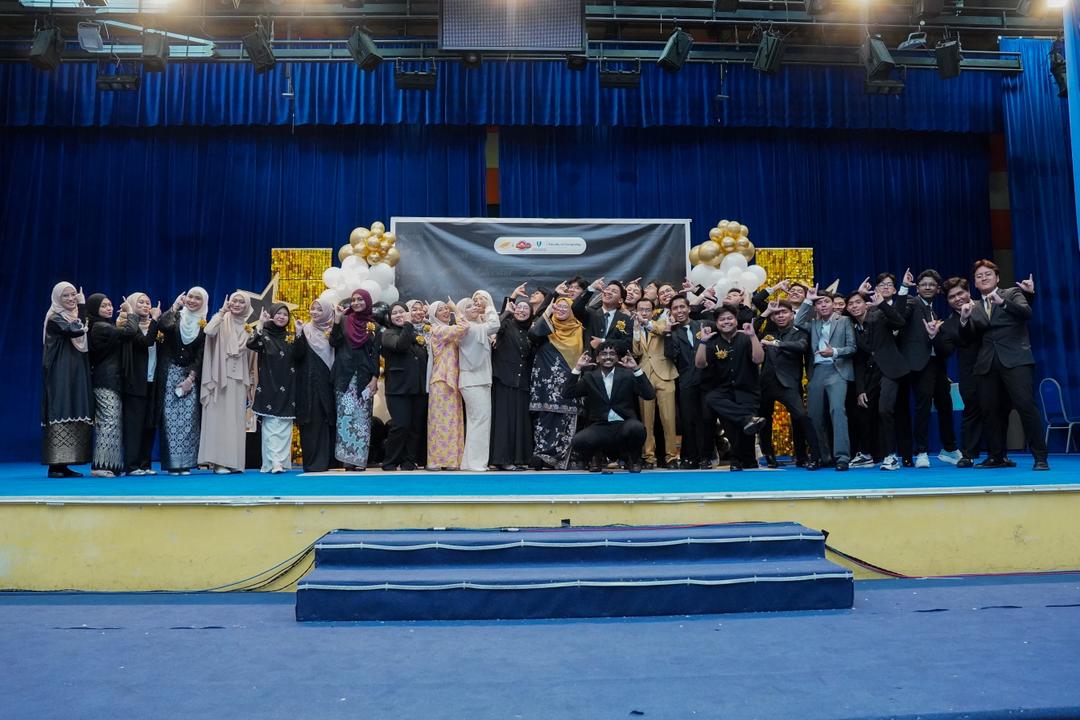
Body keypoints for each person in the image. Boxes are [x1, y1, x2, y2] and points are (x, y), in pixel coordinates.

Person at [967, 260, 1049, 471]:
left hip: (1016, 360)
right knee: (990, 411)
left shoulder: (1012, 293)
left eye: (988, 274)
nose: (983, 278)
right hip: (987, 364)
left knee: (1025, 406)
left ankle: (1040, 457)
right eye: (979, 276)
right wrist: (964, 320)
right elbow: (969, 338)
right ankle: (997, 457)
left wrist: (1002, 303)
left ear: (997, 278)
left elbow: (1026, 313)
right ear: (974, 283)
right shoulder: (973, 306)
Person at [898, 270, 960, 467]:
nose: (927, 287)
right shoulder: (912, 302)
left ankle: (949, 449)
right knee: (923, 407)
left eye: (932, 284)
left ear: (938, 289)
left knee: (945, 405)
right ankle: (922, 452)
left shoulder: (934, 310)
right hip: (919, 365)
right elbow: (899, 316)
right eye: (923, 284)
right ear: (917, 288)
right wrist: (903, 288)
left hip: (937, 366)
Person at [564, 341, 656, 472]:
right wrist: (578, 368)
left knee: (637, 428)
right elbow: (567, 393)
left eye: (612, 353)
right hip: (600, 426)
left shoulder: (627, 375)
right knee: (578, 441)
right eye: (604, 354)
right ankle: (596, 457)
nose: (608, 357)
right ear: (597, 358)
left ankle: (632, 459)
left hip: (624, 424)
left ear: (617, 358)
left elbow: (649, 395)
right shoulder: (590, 377)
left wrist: (636, 369)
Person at [695, 304, 766, 472]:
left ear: (736, 320)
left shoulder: (746, 337)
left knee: (746, 430)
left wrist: (753, 336)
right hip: (724, 392)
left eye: (729, 318)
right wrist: (703, 341)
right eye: (722, 319)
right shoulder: (712, 341)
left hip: (747, 390)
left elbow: (758, 359)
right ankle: (736, 457)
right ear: (716, 323)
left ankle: (747, 459)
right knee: (714, 402)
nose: (726, 322)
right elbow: (700, 364)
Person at [846, 285, 909, 471]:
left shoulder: (879, 316)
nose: (854, 306)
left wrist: (882, 304)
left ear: (866, 304)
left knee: (884, 410)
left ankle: (891, 456)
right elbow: (858, 361)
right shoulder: (851, 328)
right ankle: (866, 454)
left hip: (891, 370)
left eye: (858, 302)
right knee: (864, 410)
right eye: (851, 304)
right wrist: (860, 390)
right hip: (870, 374)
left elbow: (899, 322)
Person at [796, 286, 856, 470]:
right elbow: (798, 321)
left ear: (833, 304)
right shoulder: (814, 323)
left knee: (837, 411)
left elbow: (852, 347)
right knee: (814, 415)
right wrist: (808, 300)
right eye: (819, 303)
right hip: (817, 372)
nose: (823, 305)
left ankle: (842, 457)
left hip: (837, 370)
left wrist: (834, 351)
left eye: (826, 302)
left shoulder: (844, 320)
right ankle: (821, 456)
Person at [756, 300, 820, 470]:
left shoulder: (799, 332)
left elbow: (802, 346)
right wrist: (766, 312)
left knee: (801, 418)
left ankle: (808, 456)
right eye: (776, 313)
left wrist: (776, 344)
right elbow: (751, 330)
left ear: (792, 314)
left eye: (784, 312)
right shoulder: (768, 332)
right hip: (766, 383)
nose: (780, 316)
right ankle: (769, 456)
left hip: (789, 383)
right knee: (764, 421)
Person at [199, 291, 255, 474]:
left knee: (235, 421)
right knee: (219, 419)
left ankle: (234, 462)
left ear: (247, 305)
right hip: (219, 377)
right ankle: (218, 462)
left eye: (241, 302)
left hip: (239, 379)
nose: (237, 304)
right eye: (234, 301)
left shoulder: (247, 326)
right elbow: (208, 331)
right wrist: (221, 312)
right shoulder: (222, 320)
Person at [42, 282, 94, 478]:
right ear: (57, 298)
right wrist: (82, 306)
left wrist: (80, 310)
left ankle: (64, 464)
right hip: (60, 371)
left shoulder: (71, 317)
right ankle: (55, 466)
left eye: (73, 295)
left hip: (75, 369)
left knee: (74, 407)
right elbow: (77, 329)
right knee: (61, 407)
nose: (71, 298)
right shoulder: (55, 318)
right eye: (66, 296)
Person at [528, 297, 585, 470]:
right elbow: (533, 334)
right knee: (545, 418)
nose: (560, 309)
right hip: (545, 381)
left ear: (572, 310)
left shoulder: (579, 328)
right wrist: (547, 311)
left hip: (569, 380)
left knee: (565, 418)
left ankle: (560, 458)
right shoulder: (547, 326)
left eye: (565, 307)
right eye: (557, 307)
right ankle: (542, 455)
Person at [86, 293, 138, 477]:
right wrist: (130, 312)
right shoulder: (100, 327)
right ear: (94, 309)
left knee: (112, 421)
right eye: (103, 306)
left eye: (109, 305)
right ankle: (100, 466)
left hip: (110, 379)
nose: (108, 308)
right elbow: (130, 332)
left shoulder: (104, 325)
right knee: (108, 421)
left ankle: (111, 465)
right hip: (105, 380)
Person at [157, 288, 207, 475]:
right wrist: (174, 306)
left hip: (188, 376)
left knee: (188, 420)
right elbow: (163, 325)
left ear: (204, 302)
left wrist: (190, 378)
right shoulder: (176, 316)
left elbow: (200, 355)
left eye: (198, 298)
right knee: (169, 419)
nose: (193, 300)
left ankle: (185, 463)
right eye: (190, 297)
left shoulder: (204, 324)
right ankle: (172, 464)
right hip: (169, 372)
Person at [332, 289, 381, 471]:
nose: (356, 303)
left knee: (362, 418)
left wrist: (375, 377)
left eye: (360, 299)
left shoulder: (373, 326)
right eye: (353, 300)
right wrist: (337, 321)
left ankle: (359, 459)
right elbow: (334, 343)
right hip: (344, 376)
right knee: (345, 417)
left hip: (364, 378)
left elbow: (375, 353)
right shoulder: (344, 320)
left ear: (367, 301)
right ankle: (346, 459)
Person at [379, 302, 428, 471]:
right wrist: (408, 324)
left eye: (402, 312)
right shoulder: (388, 334)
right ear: (390, 317)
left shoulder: (416, 333)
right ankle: (390, 461)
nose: (399, 315)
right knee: (400, 425)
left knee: (415, 427)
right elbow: (400, 345)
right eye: (395, 313)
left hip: (418, 387)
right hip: (398, 389)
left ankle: (409, 460)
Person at [248, 303, 296, 473]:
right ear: (272, 315)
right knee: (270, 425)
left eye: (285, 314)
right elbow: (251, 343)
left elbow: (300, 354)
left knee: (285, 425)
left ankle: (282, 462)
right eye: (278, 313)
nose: (282, 317)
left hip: (288, 385)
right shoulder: (264, 335)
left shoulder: (291, 336)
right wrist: (260, 324)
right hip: (268, 384)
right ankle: (274, 461)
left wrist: (300, 334)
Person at [631, 297, 678, 469]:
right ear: (636, 311)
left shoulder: (662, 322)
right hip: (644, 376)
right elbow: (636, 352)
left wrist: (646, 323)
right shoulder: (634, 326)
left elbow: (663, 331)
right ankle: (648, 457)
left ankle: (671, 457)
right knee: (646, 420)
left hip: (665, 374)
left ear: (653, 311)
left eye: (647, 309)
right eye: (641, 309)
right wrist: (637, 329)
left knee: (668, 419)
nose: (644, 312)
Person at [490, 296, 536, 470]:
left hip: (522, 382)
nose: (522, 310)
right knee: (504, 422)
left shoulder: (531, 330)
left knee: (520, 421)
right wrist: (506, 311)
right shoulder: (506, 325)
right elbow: (494, 327)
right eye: (519, 307)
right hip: (504, 380)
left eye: (526, 308)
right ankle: (502, 459)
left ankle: (518, 458)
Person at [664, 295, 709, 469]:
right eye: (675, 308)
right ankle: (690, 457)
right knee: (688, 420)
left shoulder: (703, 324)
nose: (679, 311)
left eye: (682, 307)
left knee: (706, 419)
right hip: (685, 381)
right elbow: (670, 355)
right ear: (671, 312)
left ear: (689, 308)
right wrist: (668, 332)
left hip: (707, 379)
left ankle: (706, 456)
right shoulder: (672, 332)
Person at [292, 298, 337, 473]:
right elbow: (297, 355)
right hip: (309, 385)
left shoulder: (334, 331)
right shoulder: (305, 330)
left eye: (320, 310)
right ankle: (313, 463)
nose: (315, 312)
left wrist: (337, 324)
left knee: (329, 421)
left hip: (329, 384)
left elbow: (339, 348)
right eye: (313, 309)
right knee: (312, 421)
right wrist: (298, 333)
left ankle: (330, 462)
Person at [119, 292, 161, 476]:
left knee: (149, 424)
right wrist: (156, 320)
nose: (145, 305)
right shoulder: (127, 325)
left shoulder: (155, 327)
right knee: (134, 425)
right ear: (132, 305)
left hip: (153, 381)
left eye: (148, 302)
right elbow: (146, 342)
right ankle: (132, 465)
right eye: (140, 302)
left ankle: (145, 464)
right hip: (135, 382)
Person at [426, 300, 468, 470]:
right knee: (440, 422)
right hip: (441, 381)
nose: (445, 311)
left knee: (453, 421)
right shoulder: (438, 330)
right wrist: (456, 309)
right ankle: (437, 460)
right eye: (441, 310)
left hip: (453, 380)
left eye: (446, 309)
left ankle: (452, 460)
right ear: (433, 315)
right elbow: (464, 327)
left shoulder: (447, 331)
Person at [572, 277, 632, 356]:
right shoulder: (590, 313)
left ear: (620, 300)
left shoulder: (626, 319)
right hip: (590, 361)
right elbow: (575, 308)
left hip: (614, 361)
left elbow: (628, 344)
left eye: (614, 291)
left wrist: (603, 341)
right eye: (607, 289)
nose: (608, 292)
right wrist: (592, 287)